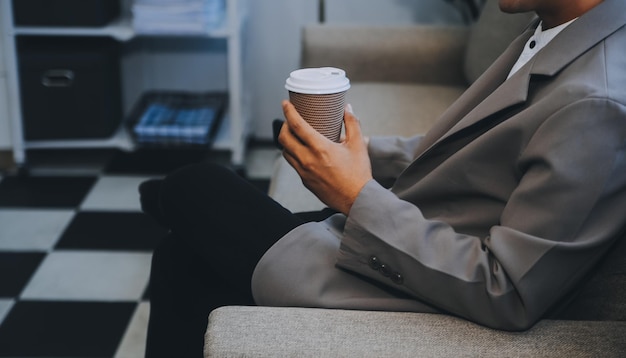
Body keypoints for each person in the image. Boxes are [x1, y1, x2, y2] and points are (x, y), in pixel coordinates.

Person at [139, 0, 626, 356]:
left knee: (194, 186)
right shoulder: (557, 29)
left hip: (420, 271)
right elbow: (471, 150)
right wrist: (356, 154)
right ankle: (167, 203)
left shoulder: (597, 101)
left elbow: (509, 291)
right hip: (415, 221)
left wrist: (355, 195)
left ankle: (161, 199)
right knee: (180, 254)